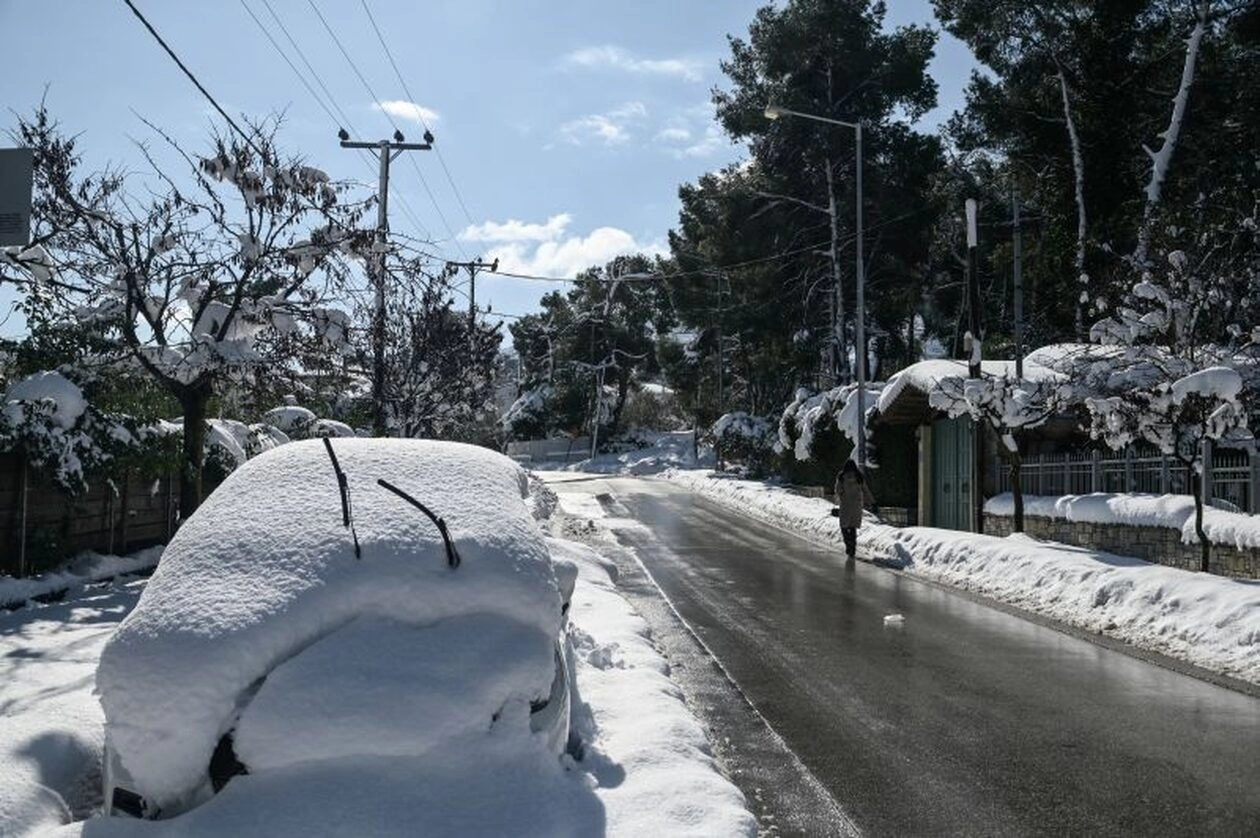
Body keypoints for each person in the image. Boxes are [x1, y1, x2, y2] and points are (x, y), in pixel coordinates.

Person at [834, 459, 876, 559]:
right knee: (853, 527)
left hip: (845, 505)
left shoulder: (841, 477)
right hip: (857, 505)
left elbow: (838, 490)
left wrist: (840, 495)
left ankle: (848, 545)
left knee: (844, 526)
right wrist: (873, 502)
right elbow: (866, 490)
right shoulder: (859, 477)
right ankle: (852, 546)